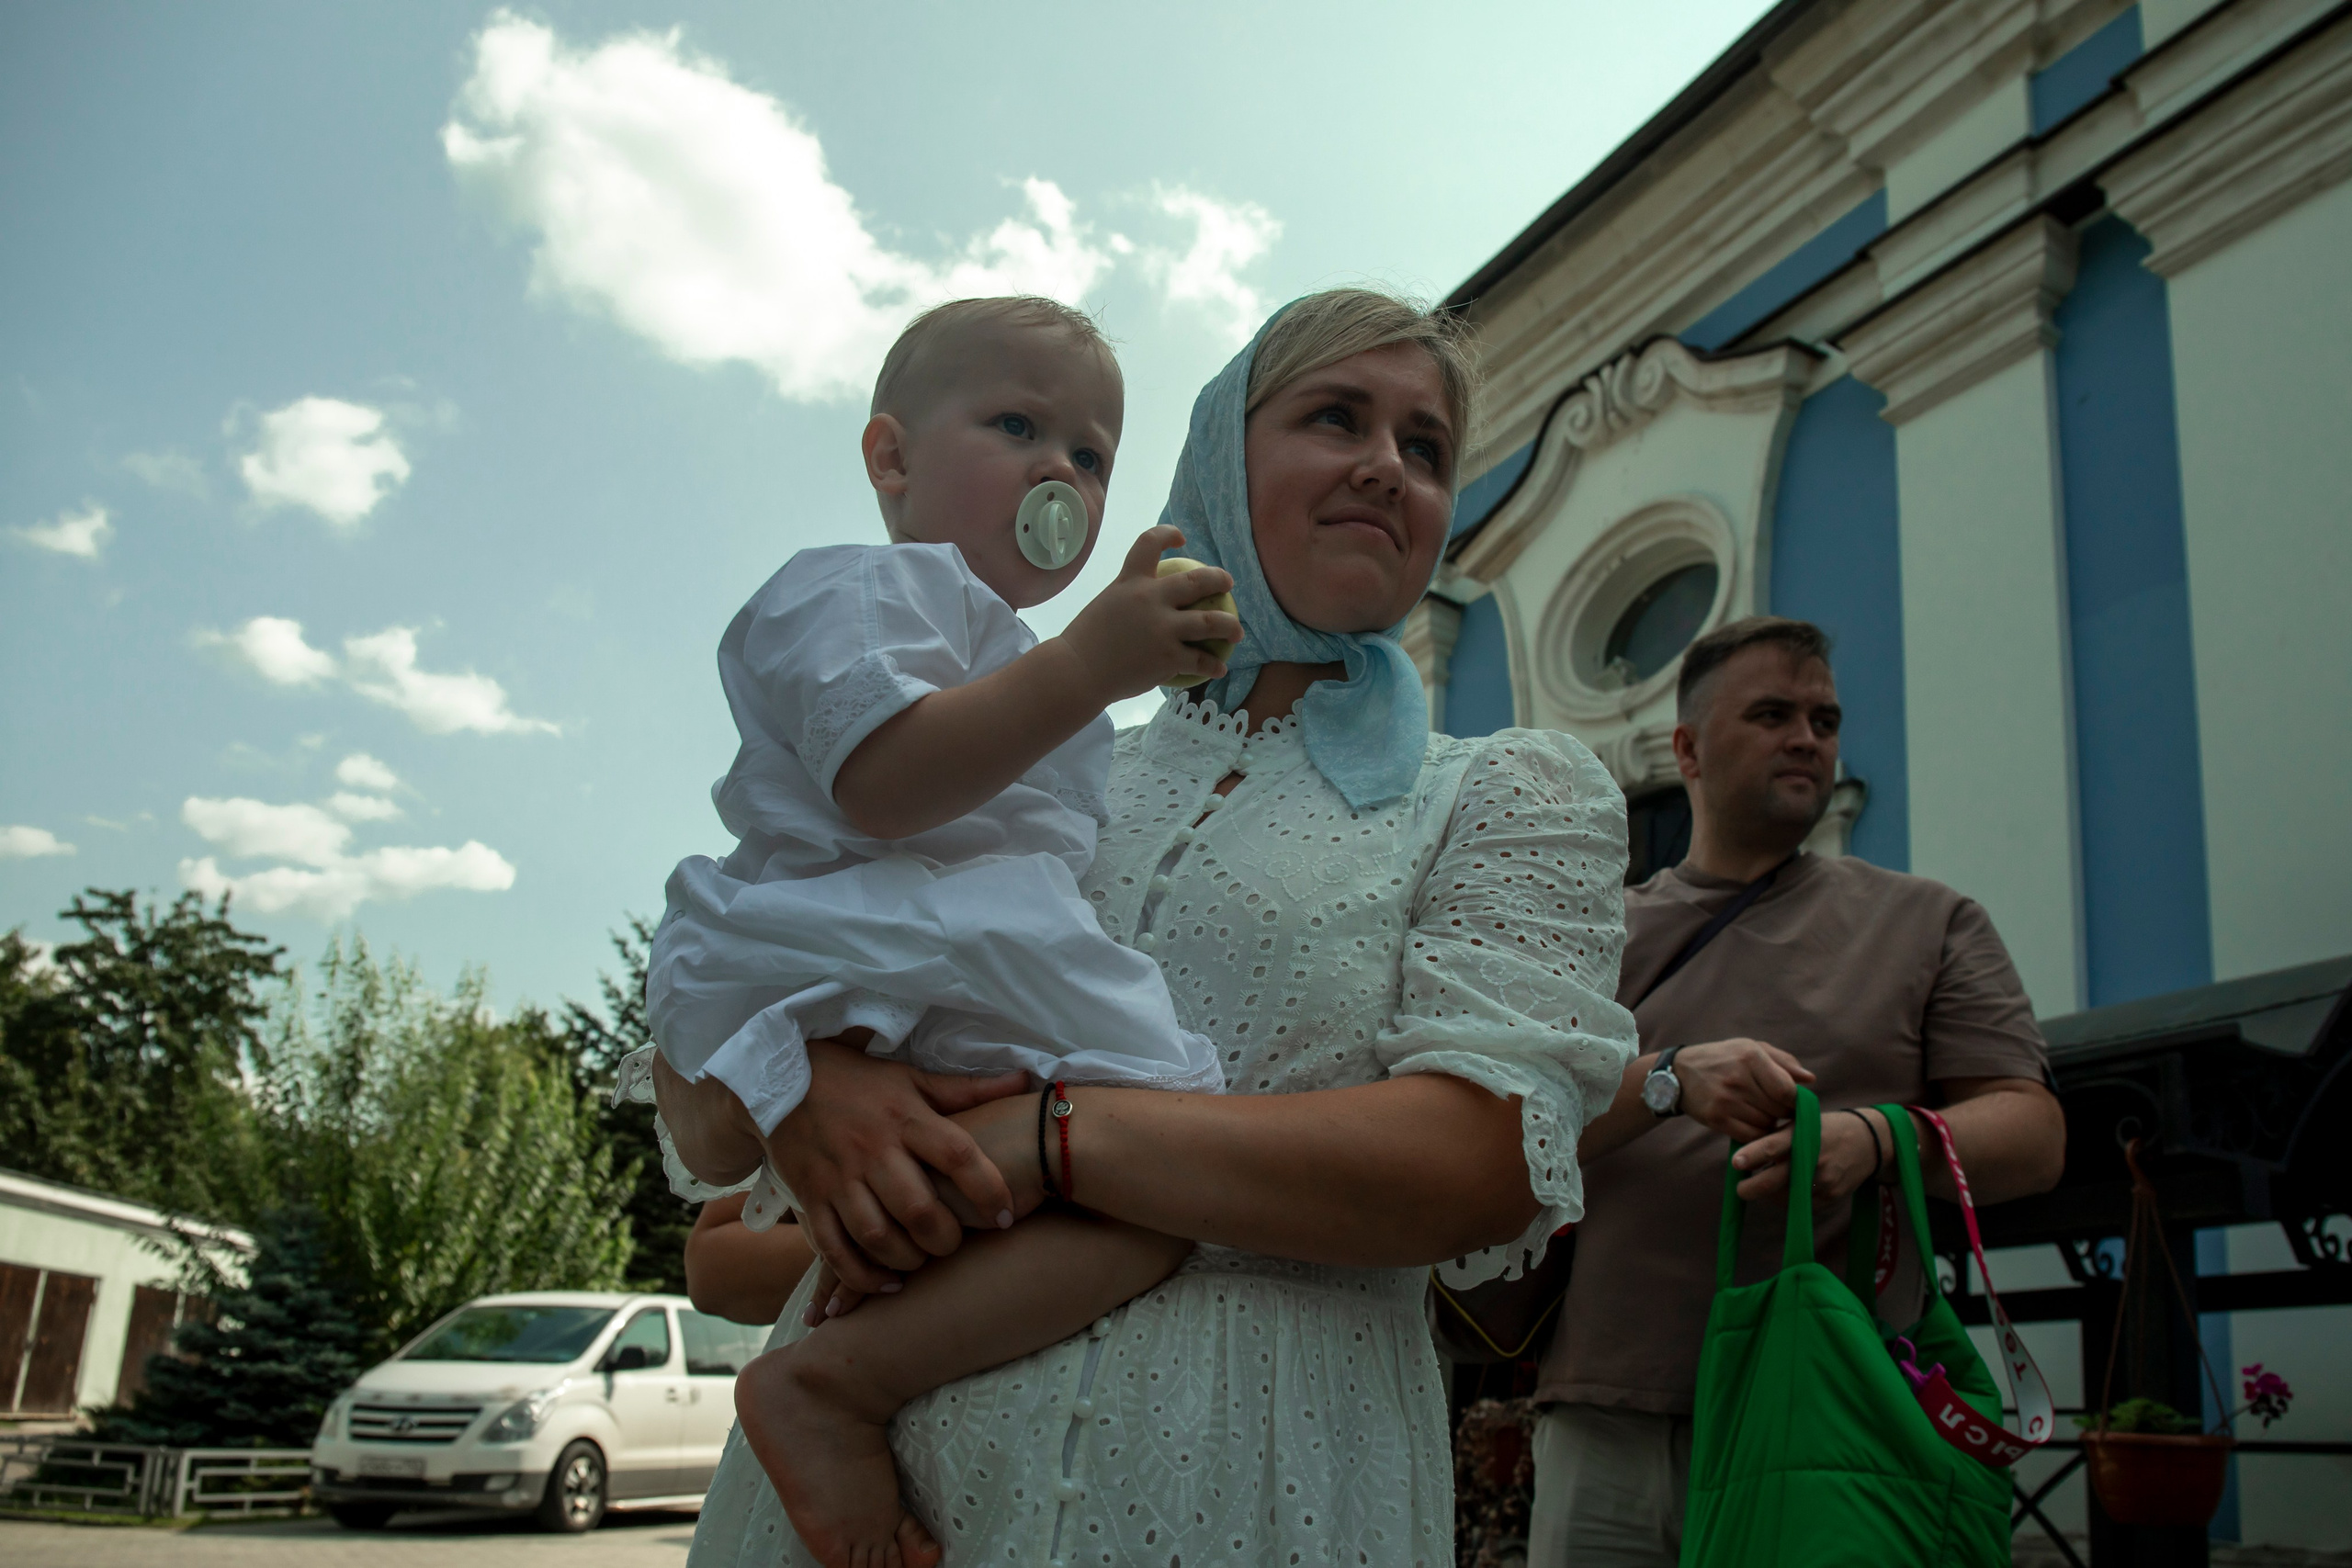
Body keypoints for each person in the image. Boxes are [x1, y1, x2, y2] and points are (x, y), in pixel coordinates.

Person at [657, 287, 1640, 1568]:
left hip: (1260, 1464)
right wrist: (811, 1088)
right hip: (867, 1482)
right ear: (1216, 467)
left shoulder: (1508, 791)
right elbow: (710, 1073)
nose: (1382, 467)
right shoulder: (1031, 757)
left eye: (1427, 448)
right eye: (1335, 416)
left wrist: (1055, 1140)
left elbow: (1482, 1160)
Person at [637, 294, 1241, 1564]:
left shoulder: (1018, 652)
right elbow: (886, 781)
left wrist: (1080, 665)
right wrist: (1091, 662)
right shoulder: (857, 588)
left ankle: (850, 1364)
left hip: (939, 960)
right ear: (891, 458)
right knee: (1165, 1146)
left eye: (1090, 453)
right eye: (1017, 424)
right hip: (851, 942)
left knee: (1156, 1177)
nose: (1058, 470)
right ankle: (828, 1385)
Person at [1523, 615, 2068, 1568]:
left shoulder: (1929, 922)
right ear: (1686, 748)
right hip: (1608, 1416)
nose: (1806, 738)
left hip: (1835, 1406)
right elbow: (1506, 1128)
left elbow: (2031, 1134)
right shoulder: (1592, 935)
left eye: (1823, 718)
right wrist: (1665, 1080)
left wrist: (1877, 1138)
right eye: (1771, 713)